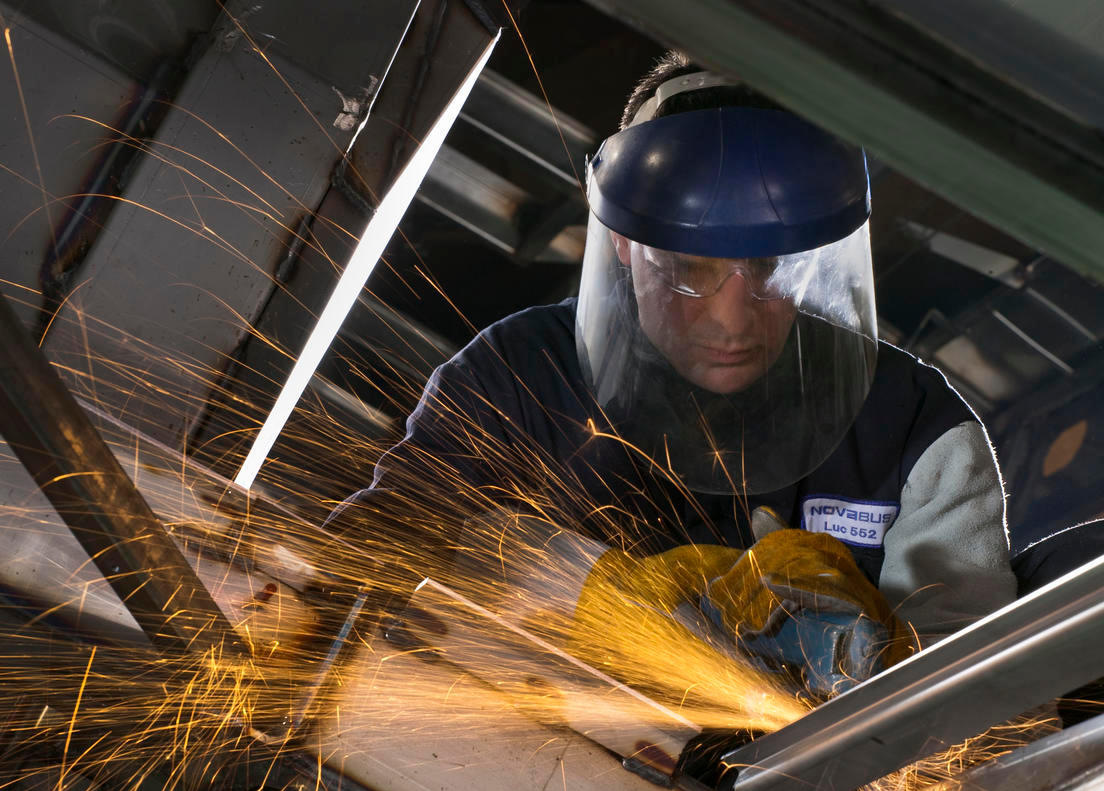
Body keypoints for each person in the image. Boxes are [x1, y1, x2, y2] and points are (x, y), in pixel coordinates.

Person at [324, 53, 1016, 666]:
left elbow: (980, 691)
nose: (732, 323)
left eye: (770, 268)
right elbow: (381, 542)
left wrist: (883, 655)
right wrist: (592, 587)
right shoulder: (519, 375)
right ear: (623, 243)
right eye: (687, 271)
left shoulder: (914, 426)